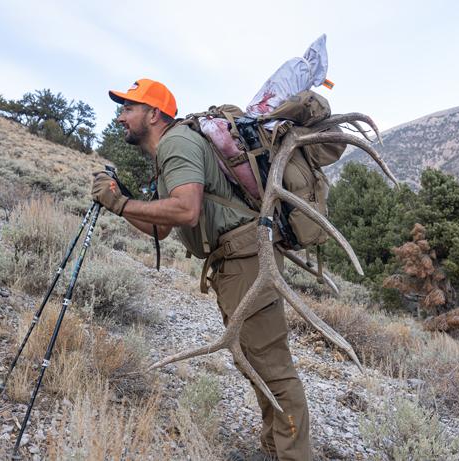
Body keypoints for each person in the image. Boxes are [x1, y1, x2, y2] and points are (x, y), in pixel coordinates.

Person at [91, 78, 312, 460]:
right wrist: (120, 202)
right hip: (236, 264)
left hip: (244, 261)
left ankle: (294, 455)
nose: (121, 116)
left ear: (154, 114)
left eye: (129, 108)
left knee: (271, 367)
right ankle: (276, 448)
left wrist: (123, 205)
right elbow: (163, 226)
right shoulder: (170, 150)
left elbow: (185, 209)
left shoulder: (176, 144)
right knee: (255, 361)